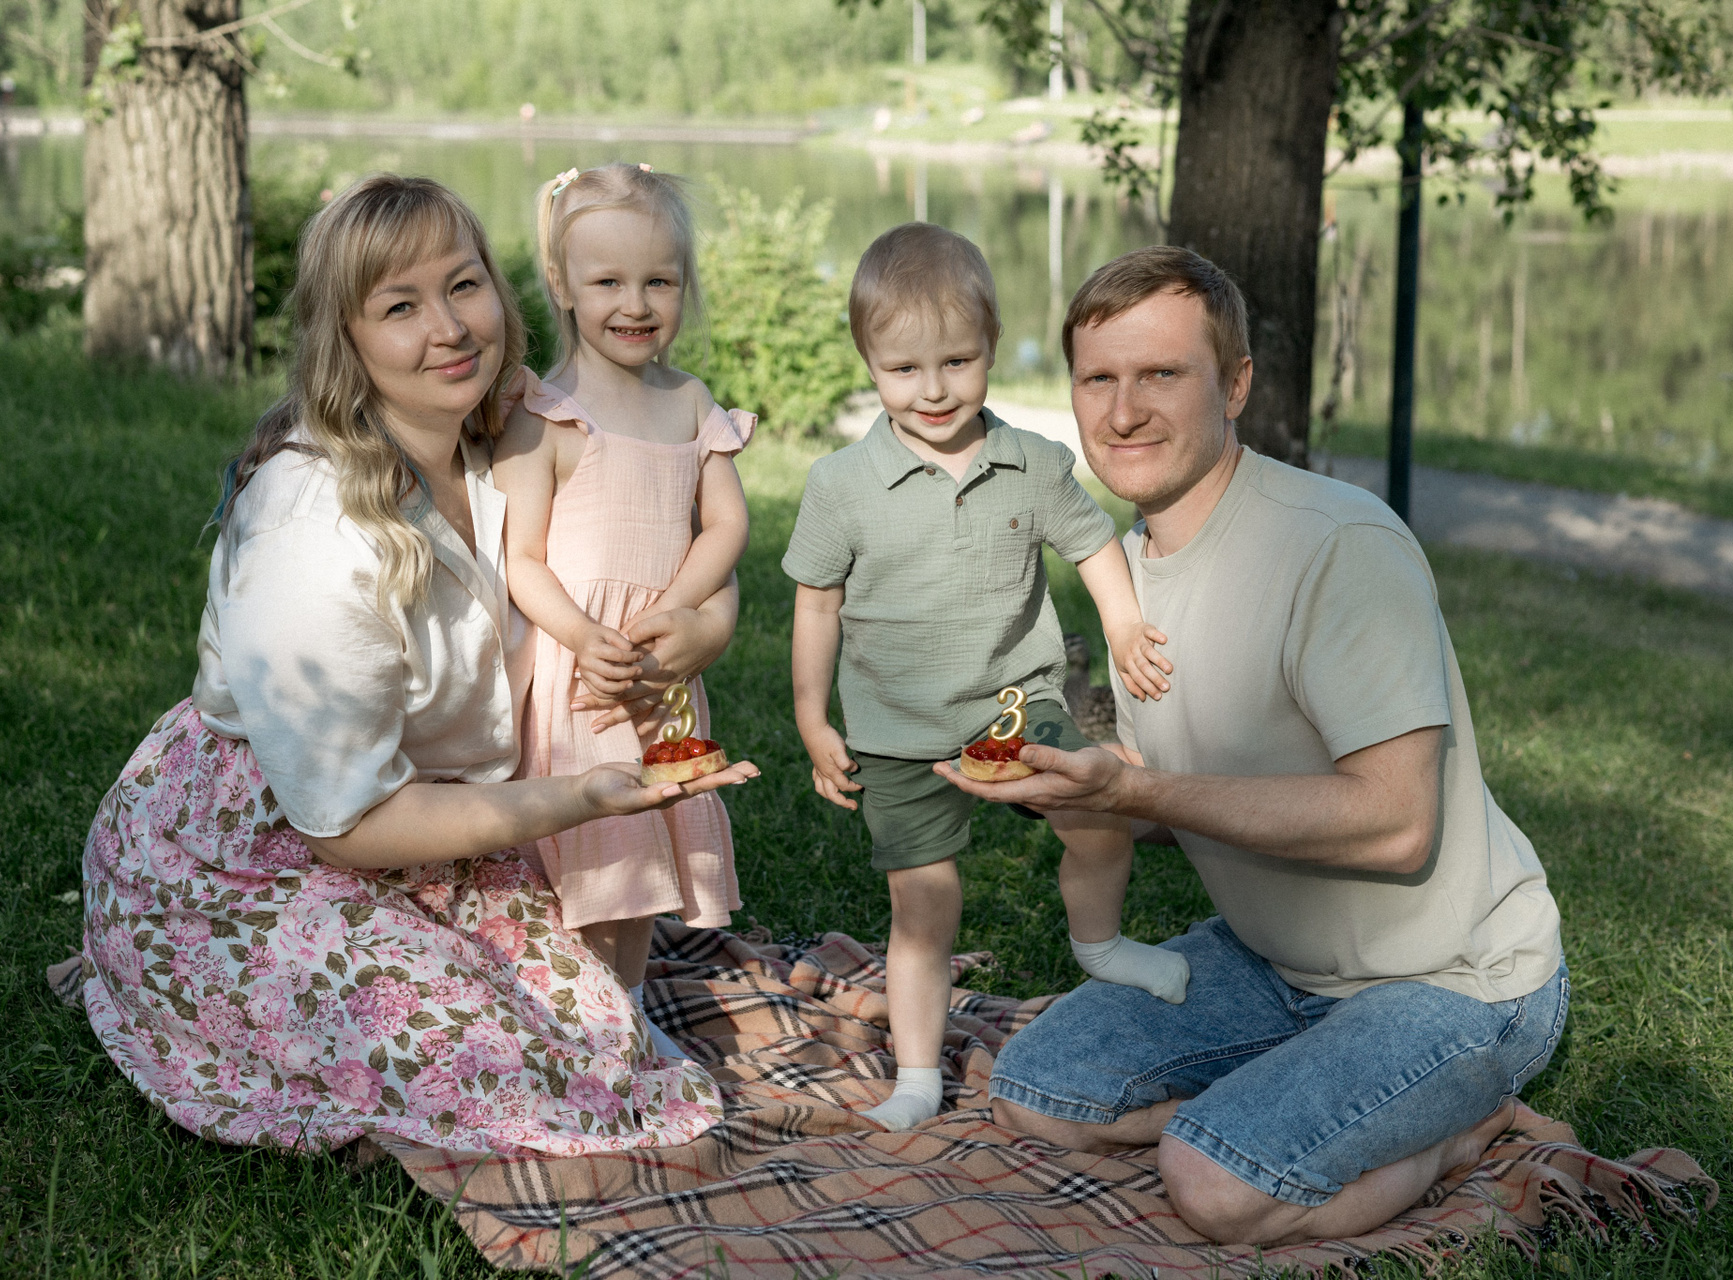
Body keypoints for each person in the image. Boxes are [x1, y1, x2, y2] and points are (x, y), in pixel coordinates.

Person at [75, 174, 757, 1159]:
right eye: (400, 307)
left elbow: (674, 547)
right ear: (345, 338)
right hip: (267, 848)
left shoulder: (504, 431)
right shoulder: (313, 525)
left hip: (447, 823)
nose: (449, 328)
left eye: (464, 285)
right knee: (489, 1071)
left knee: (605, 1055)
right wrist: (580, 798)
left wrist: (709, 623)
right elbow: (347, 824)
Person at [939, 246, 1566, 1245]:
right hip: (1274, 960)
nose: (1123, 412)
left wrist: (1138, 796)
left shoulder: (1337, 546)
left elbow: (1397, 824)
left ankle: (1462, 1129)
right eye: (1098, 379)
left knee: (1217, 1188)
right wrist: (1075, 789)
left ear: (1235, 386)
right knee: (1035, 1089)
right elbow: (1178, 794)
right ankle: (1281, 1107)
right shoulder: (1129, 569)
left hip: (1454, 978)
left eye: (1161, 374)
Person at [784, 223, 1187, 1133]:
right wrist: (812, 717)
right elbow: (816, 606)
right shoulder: (841, 485)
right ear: (869, 361)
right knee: (924, 903)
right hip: (896, 728)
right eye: (903, 369)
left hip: (1017, 703)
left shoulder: (1031, 464)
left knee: (1098, 815)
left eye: (958, 362)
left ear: (993, 347)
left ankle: (1102, 943)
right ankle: (918, 1077)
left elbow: (1092, 544)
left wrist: (1124, 627)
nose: (933, 390)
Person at [493, 164, 753, 1061]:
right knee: (592, 851)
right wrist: (582, 635)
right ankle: (573, 1018)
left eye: (659, 282)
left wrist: (676, 617)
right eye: (607, 281)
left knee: (646, 852)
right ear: (561, 284)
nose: (635, 304)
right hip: (584, 674)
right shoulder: (547, 414)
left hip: (659, 668)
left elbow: (727, 524)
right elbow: (522, 558)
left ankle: (630, 1014)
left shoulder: (690, 403)